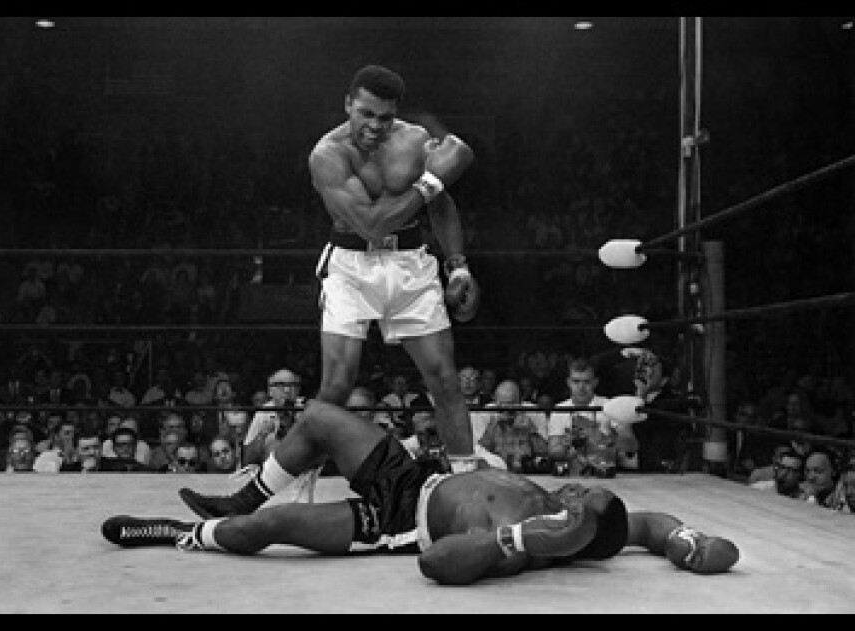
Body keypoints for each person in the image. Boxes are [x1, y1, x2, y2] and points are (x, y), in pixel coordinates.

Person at [177, 63, 482, 516]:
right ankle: (280, 492)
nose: (374, 127)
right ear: (348, 105)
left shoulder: (415, 140)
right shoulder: (327, 154)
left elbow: (441, 208)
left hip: (413, 266)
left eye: (384, 117)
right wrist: (436, 177)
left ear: (395, 114)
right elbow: (371, 223)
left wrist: (457, 267)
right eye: (365, 114)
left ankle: (470, 496)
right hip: (351, 266)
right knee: (335, 387)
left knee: (445, 381)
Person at [103, 400, 740, 585]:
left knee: (267, 533)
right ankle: (236, 498)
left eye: (578, 502)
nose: (573, 488)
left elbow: (433, 564)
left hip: (395, 520)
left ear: (575, 535)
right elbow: (650, 522)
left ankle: (184, 534)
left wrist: (517, 539)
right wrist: (690, 541)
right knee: (321, 418)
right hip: (413, 473)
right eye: (578, 492)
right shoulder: (589, 518)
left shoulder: (527, 544)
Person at [547, 358, 616, 477]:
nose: (581, 387)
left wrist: (604, 439)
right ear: (568, 382)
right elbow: (553, 452)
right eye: (576, 381)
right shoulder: (559, 410)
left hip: (605, 473)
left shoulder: (610, 406)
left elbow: (628, 446)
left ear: (595, 382)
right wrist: (565, 443)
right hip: (571, 474)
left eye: (586, 382)